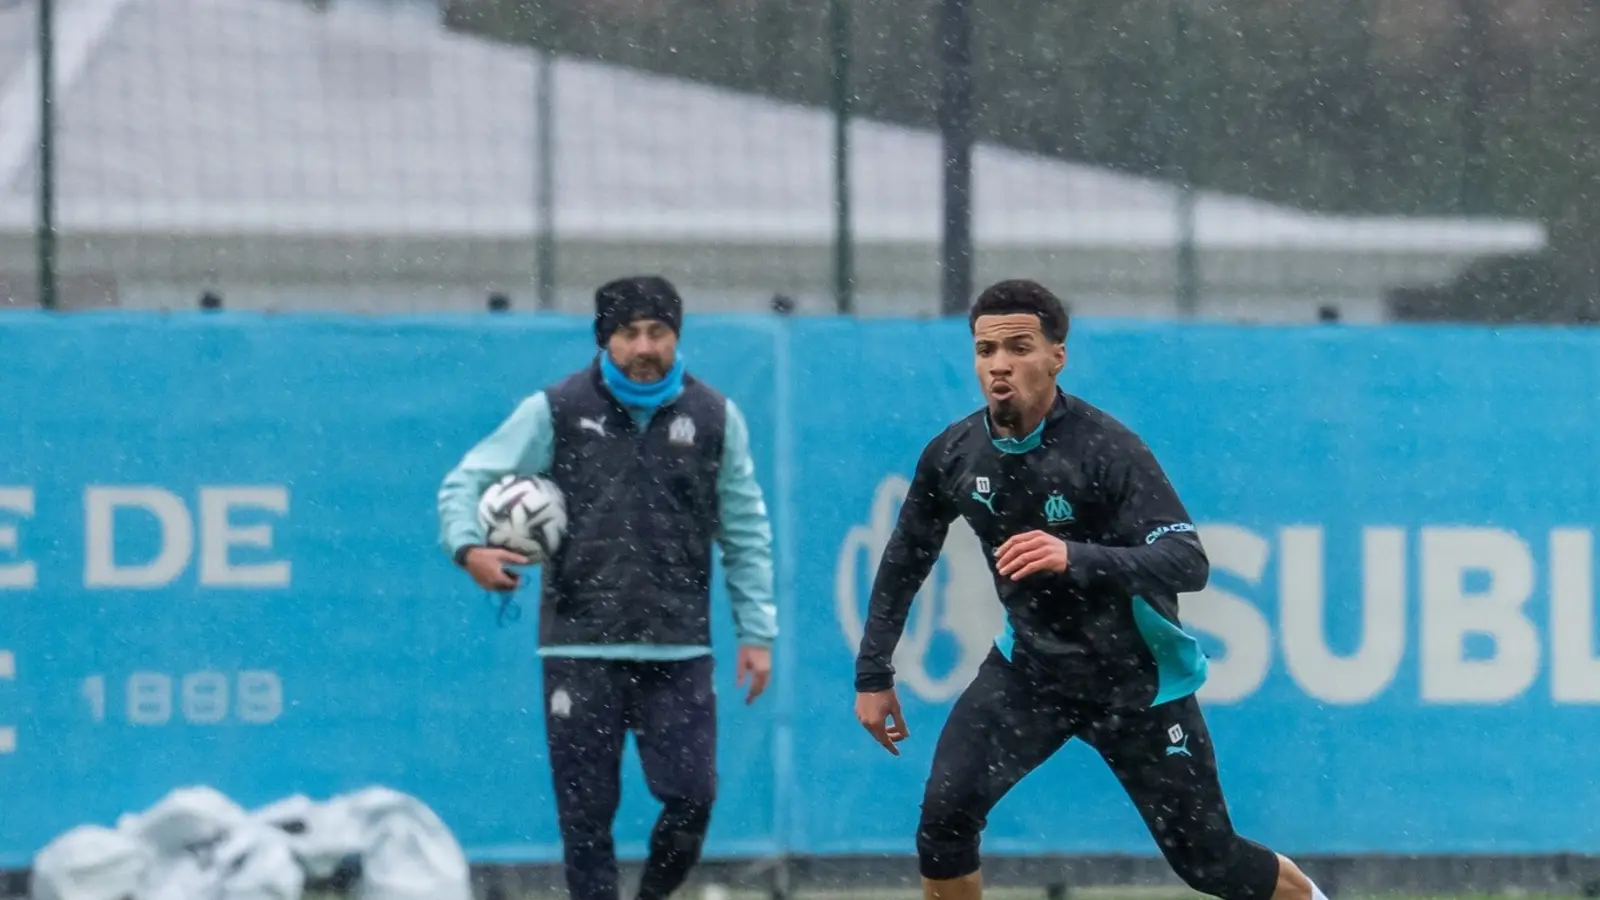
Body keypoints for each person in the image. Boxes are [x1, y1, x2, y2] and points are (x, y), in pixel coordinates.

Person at [853, 280, 1329, 900]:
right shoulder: (953, 454)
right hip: (1030, 672)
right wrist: (873, 672)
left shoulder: (1109, 449)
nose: (1000, 365)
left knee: (1210, 861)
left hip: (1133, 682)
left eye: (1019, 347)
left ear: (1057, 356)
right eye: (985, 349)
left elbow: (1187, 561)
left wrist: (1073, 556)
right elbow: (904, 559)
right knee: (945, 820)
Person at [437, 275, 777, 900]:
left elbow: (747, 529)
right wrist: (468, 547)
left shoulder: (714, 417)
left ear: (676, 335)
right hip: (578, 648)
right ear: (605, 339)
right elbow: (466, 479)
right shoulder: (556, 409)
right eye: (628, 333)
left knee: (692, 798)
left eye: (658, 332)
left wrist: (756, 630)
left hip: (677, 650)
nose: (644, 347)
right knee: (585, 818)